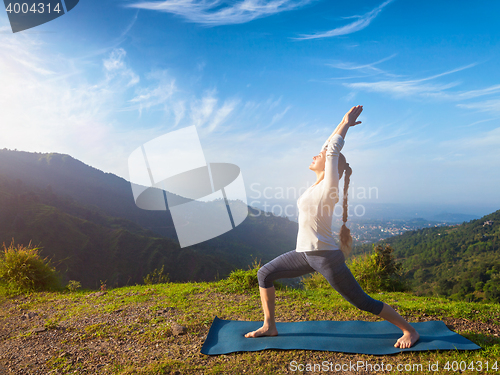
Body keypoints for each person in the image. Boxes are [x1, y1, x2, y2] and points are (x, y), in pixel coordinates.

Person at [244, 105, 419, 349]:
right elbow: (328, 147)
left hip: (325, 257)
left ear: (330, 167)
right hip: (304, 254)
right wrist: (340, 122)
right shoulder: (316, 186)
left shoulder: (330, 188)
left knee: (362, 302)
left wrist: (346, 124)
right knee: (264, 274)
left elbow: (332, 150)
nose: (316, 155)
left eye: (321, 156)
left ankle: (409, 330)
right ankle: (269, 326)